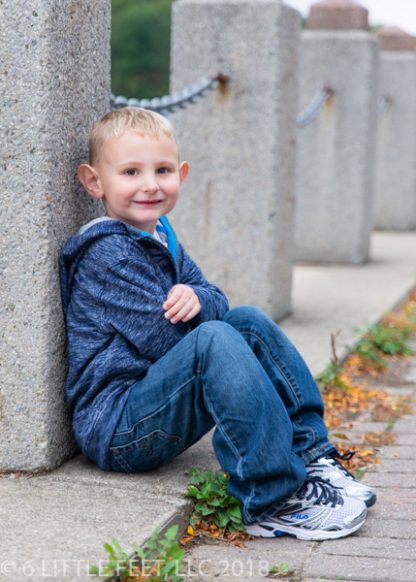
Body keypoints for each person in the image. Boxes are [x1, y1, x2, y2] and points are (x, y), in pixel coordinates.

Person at [59, 107, 375, 541]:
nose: (150, 184)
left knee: (246, 320)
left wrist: (198, 298)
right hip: (118, 428)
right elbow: (169, 340)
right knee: (213, 338)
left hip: (154, 400)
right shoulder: (106, 255)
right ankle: (272, 498)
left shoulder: (160, 235)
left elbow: (216, 300)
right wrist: (203, 310)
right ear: (94, 182)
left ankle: (312, 455)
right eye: (131, 172)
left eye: (162, 170)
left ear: (181, 174)